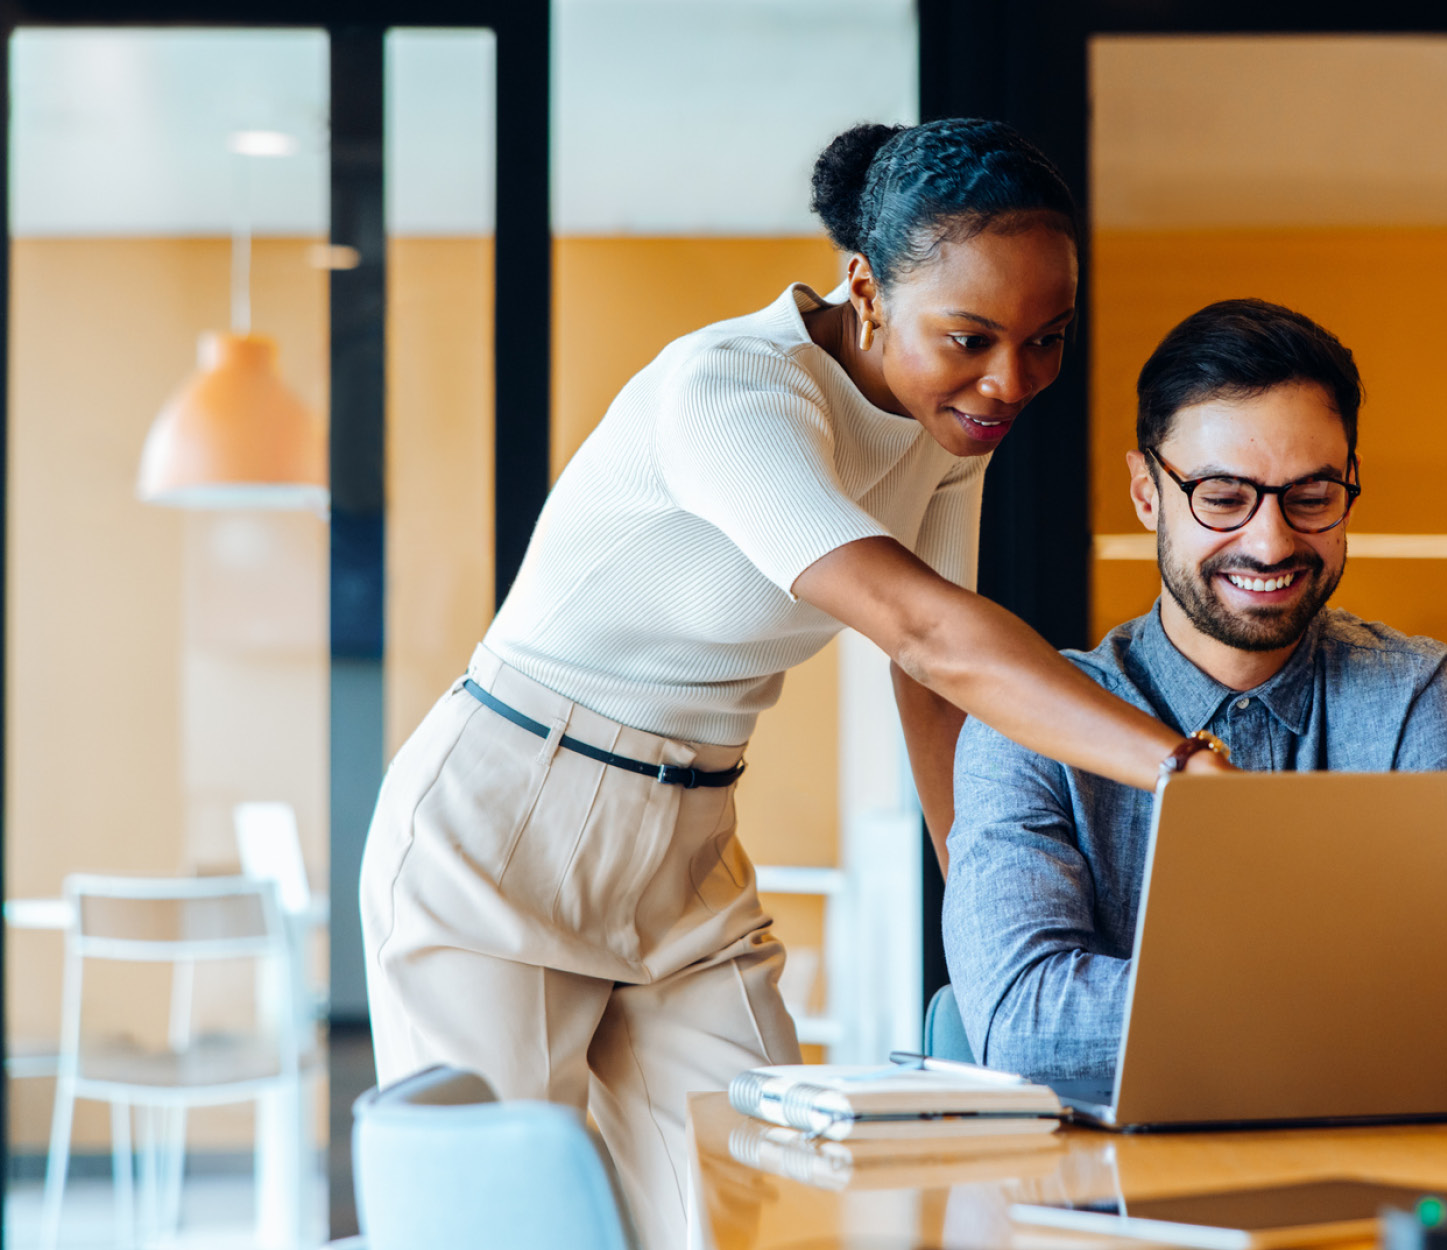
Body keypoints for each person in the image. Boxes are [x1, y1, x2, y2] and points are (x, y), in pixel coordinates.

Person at [358, 118, 1232, 1250]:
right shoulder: (730, 391)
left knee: (758, 1207)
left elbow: (934, 687)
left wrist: (978, 902)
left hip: (688, 841)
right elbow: (925, 631)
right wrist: (1177, 768)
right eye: (970, 337)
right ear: (864, 288)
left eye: (1046, 340)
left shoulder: (947, 425)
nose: (1010, 380)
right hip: (506, 821)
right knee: (504, 1226)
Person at [942, 298, 1447, 1084]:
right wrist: (1360, 999)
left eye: (1311, 497)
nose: (1270, 543)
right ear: (1146, 494)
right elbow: (1027, 1028)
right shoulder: (1023, 725)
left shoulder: (1415, 698)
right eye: (1224, 498)